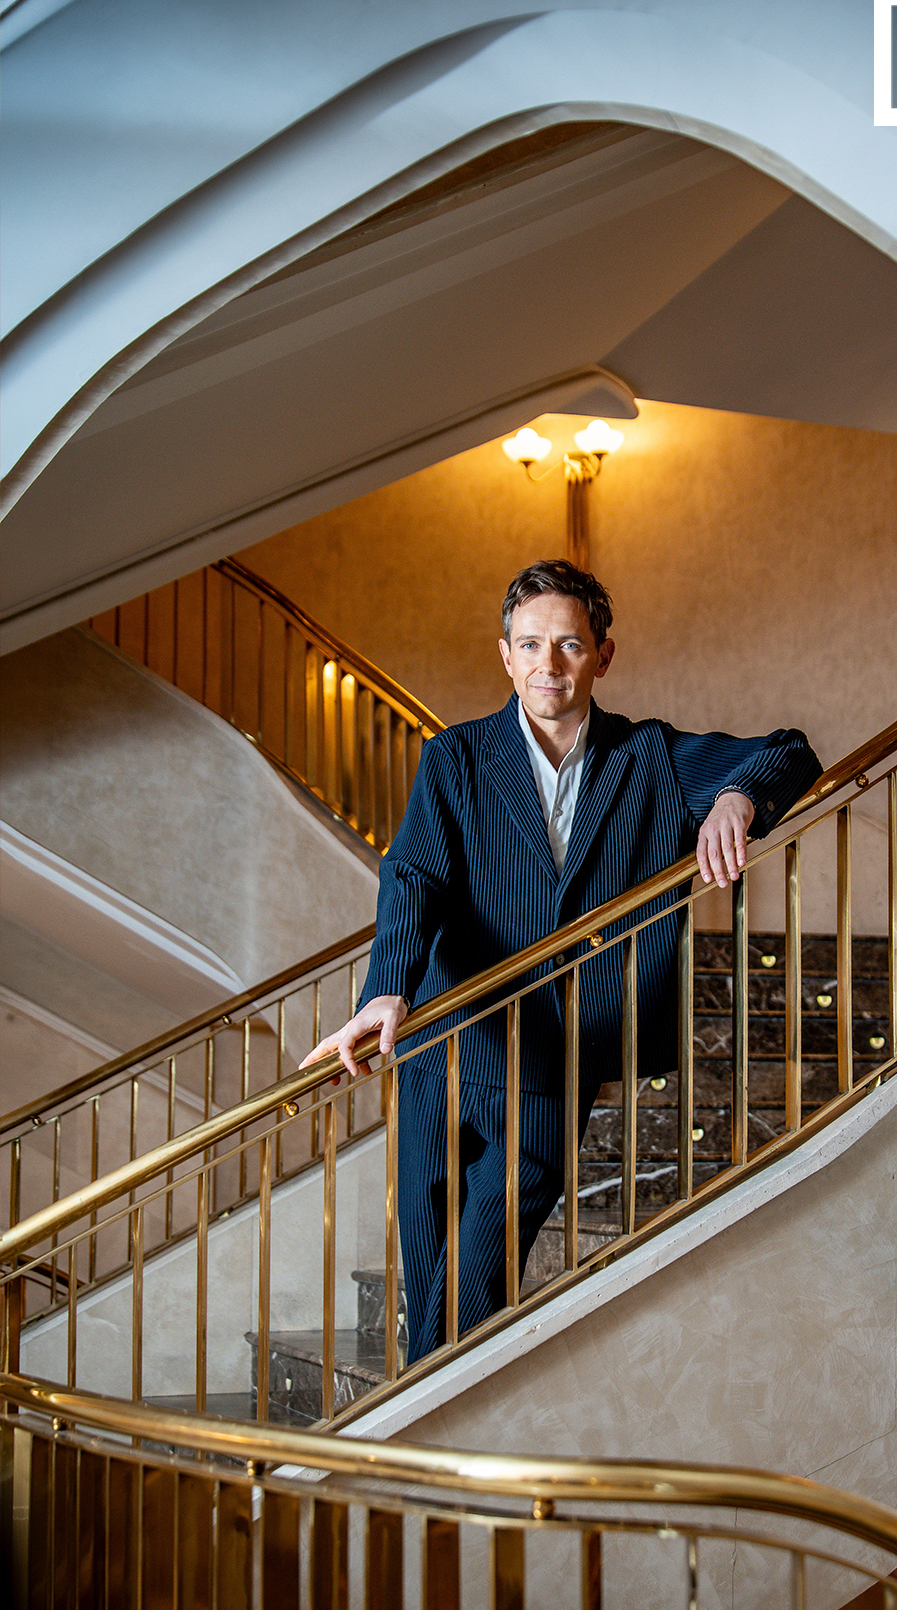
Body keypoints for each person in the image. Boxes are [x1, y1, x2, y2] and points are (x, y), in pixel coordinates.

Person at [304, 560, 821, 1359]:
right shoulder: (455, 757)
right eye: (530, 644)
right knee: (430, 1264)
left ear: (601, 656)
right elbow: (414, 877)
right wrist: (386, 989)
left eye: (569, 644)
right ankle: (428, 1407)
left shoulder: (648, 756)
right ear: (505, 656)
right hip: (443, 1041)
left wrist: (733, 797)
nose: (548, 663)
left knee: (478, 1275)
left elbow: (789, 750)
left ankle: (421, 1412)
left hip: (556, 1055)